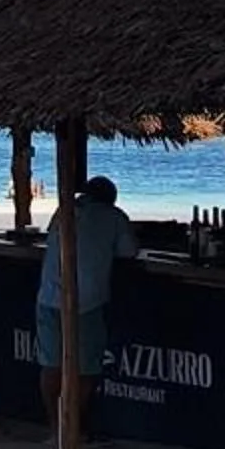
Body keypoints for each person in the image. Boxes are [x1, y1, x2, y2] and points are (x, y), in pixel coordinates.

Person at [38, 172, 140, 430]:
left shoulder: (63, 212)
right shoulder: (114, 218)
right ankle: (73, 426)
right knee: (87, 368)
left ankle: (55, 425)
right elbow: (129, 252)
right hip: (87, 301)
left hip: (50, 297)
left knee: (52, 366)